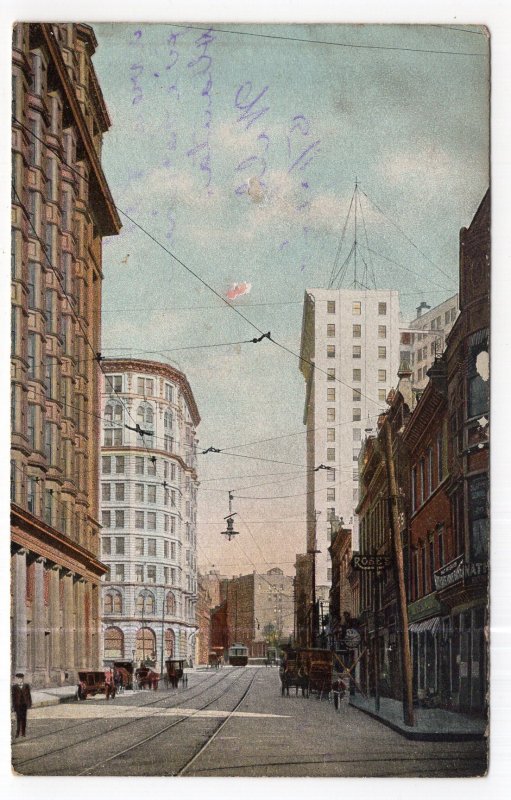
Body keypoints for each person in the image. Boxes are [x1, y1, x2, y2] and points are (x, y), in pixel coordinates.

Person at [12, 673, 32, 738]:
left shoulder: (26, 686)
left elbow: (29, 695)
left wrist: (29, 704)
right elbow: (13, 697)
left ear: (23, 679)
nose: (20, 680)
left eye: (21, 678)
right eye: (18, 679)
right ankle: (17, 733)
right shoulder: (14, 687)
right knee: (18, 719)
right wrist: (13, 706)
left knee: (24, 719)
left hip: (24, 705)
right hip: (18, 705)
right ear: (17, 679)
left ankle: (23, 733)